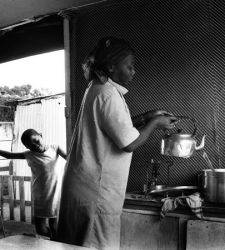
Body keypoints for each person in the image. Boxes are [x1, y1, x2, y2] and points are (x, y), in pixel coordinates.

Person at [57, 37, 178, 249]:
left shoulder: (96, 88)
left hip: (83, 187)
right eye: (129, 66)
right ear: (112, 66)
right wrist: (156, 123)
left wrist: (148, 116)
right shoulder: (108, 94)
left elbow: (115, 129)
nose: (133, 71)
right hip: (96, 192)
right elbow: (129, 143)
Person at [0, 129, 66, 240]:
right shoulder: (29, 155)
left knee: (54, 225)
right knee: (40, 228)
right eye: (31, 146)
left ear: (41, 135)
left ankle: (56, 242)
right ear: (28, 148)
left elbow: (69, 158)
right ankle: (53, 239)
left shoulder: (55, 148)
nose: (35, 146)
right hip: (39, 195)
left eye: (36, 141)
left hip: (56, 193)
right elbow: (9, 155)